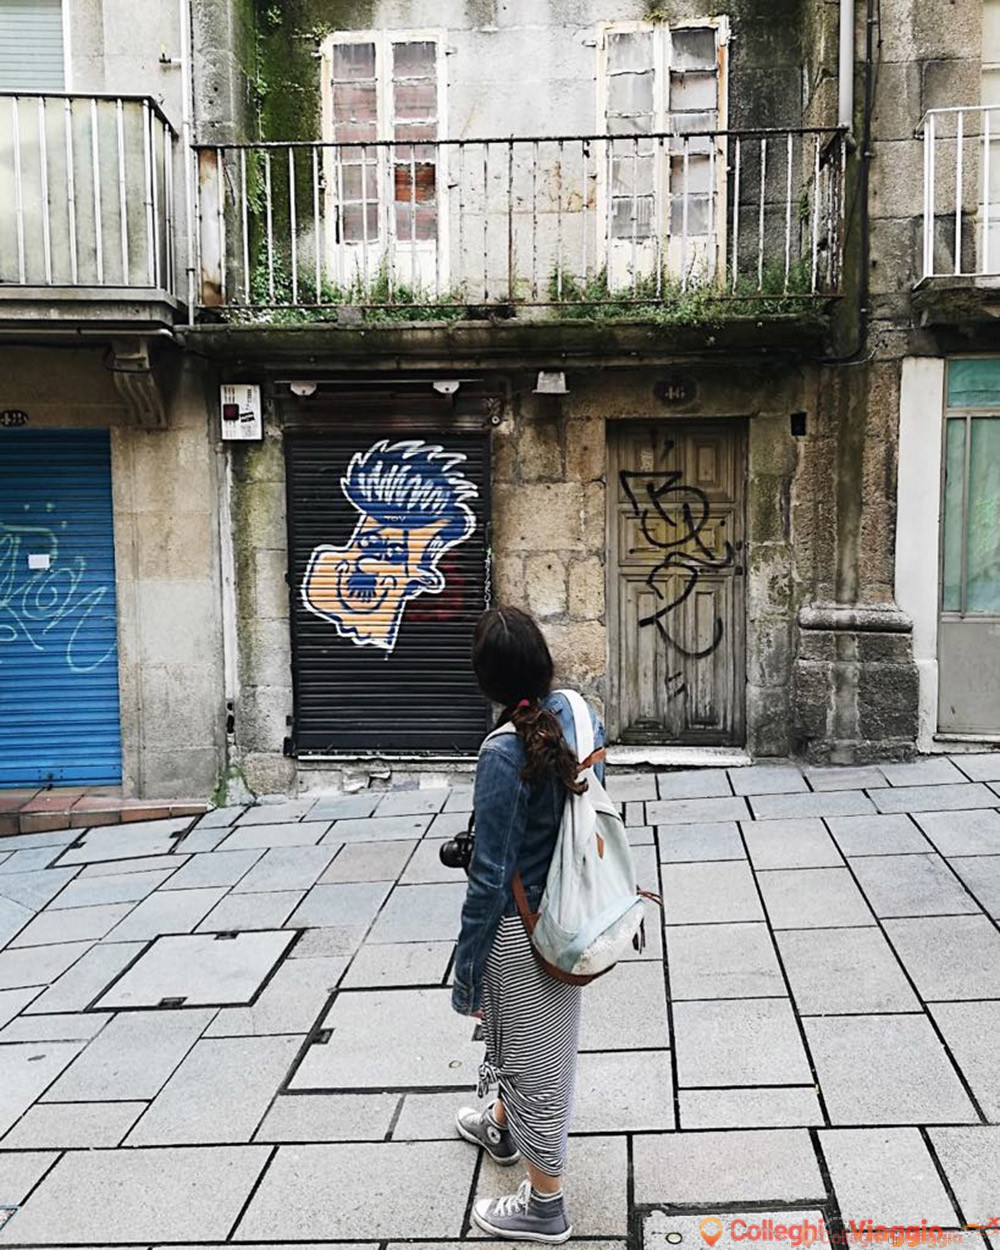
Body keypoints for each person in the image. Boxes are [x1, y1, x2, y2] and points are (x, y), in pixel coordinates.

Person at [452, 605, 605, 1244]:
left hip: (525, 927)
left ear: (486, 680)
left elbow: (491, 876)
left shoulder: (502, 750)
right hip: (572, 907)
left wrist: (466, 971)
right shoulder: (578, 712)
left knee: (538, 1063)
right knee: (519, 1042)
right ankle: (502, 1125)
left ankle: (546, 1206)